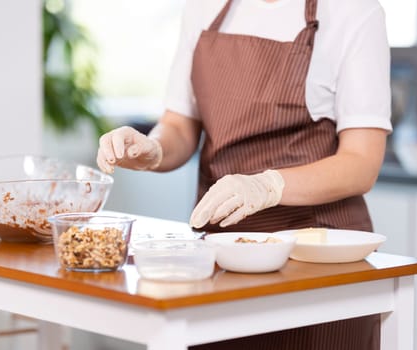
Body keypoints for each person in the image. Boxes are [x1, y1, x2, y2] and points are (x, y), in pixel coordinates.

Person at [97, 0, 391, 348]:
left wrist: (268, 185)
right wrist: (153, 150)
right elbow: (179, 125)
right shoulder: (205, 8)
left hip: (316, 260)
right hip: (223, 258)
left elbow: (361, 163)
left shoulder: (352, 11)